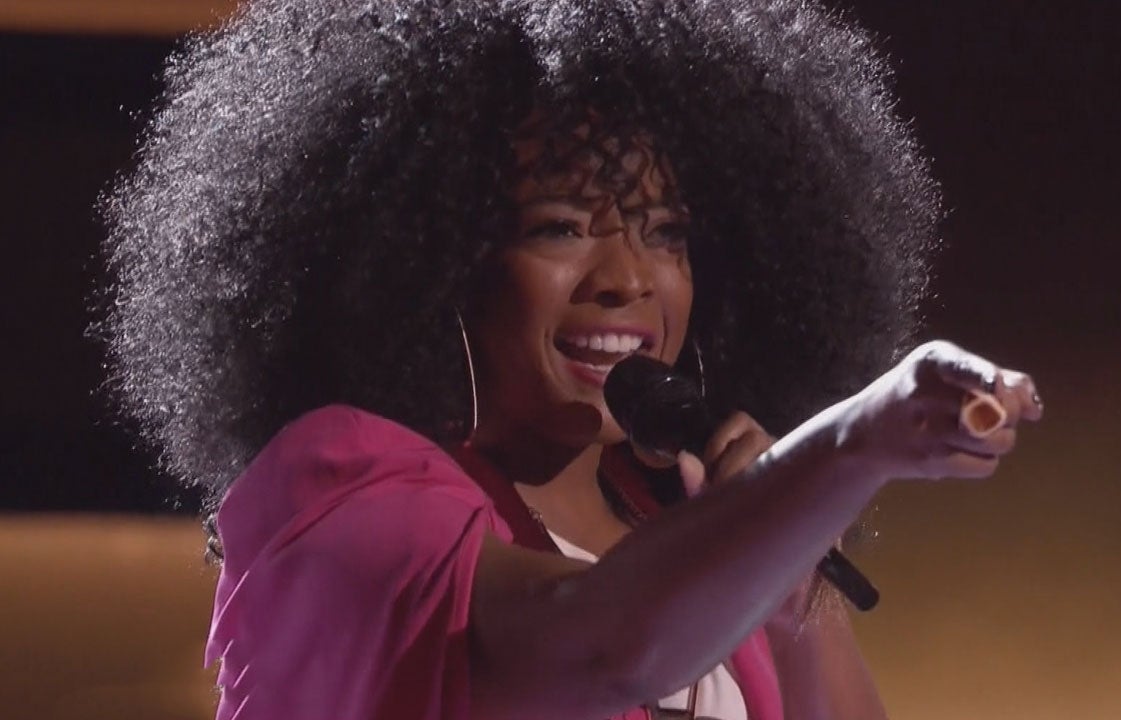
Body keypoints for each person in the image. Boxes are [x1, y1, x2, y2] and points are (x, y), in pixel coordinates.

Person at [98, 1, 1042, 719]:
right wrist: (850, 442)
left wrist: (790, 583)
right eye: (560, 228)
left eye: (665, 234)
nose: (627, 279)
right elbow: (605, 647)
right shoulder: (342, 499)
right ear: (435, 264)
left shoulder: (691, 522)